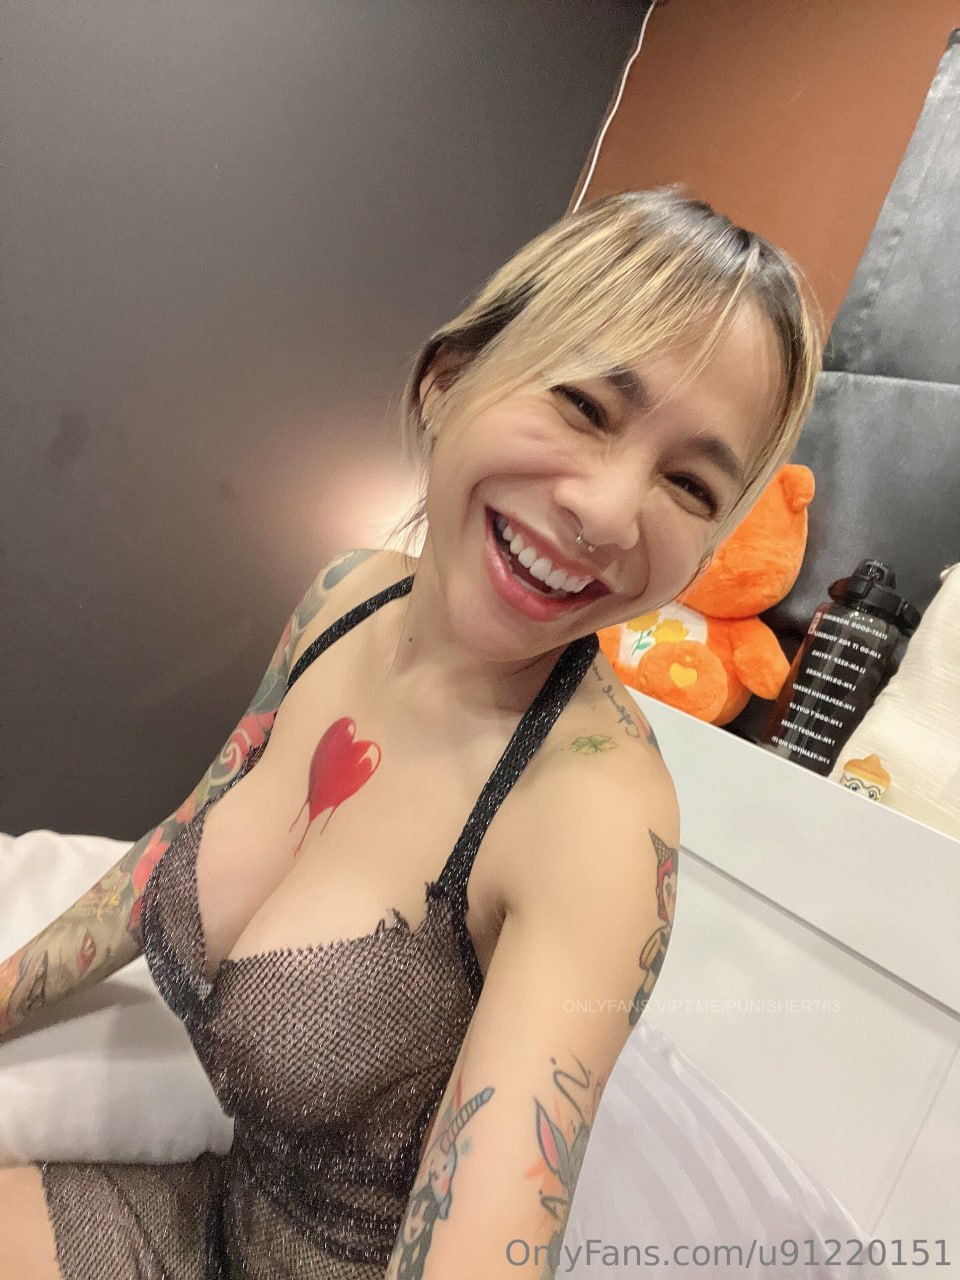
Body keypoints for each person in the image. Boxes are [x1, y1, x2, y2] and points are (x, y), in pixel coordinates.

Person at [0, 189, 822, 1279]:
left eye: (689, 482)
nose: (610, 511)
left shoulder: (598, 820)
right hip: (206, 1217)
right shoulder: (346, 596)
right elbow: (174, 849)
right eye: (584, 405)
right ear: (449, 378)